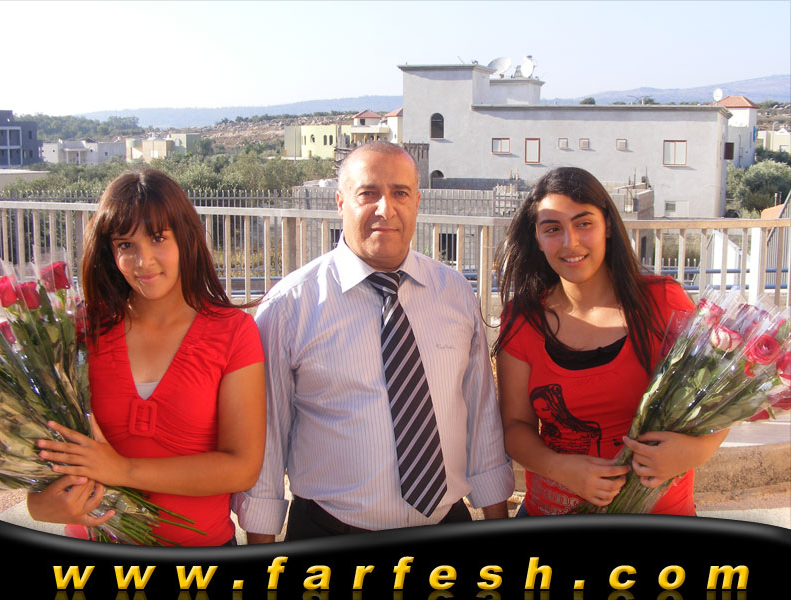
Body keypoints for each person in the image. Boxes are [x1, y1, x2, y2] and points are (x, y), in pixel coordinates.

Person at [233, 141, 514, 541]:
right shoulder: (289, 306)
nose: (386, 208)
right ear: (340, 202)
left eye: (400, 193)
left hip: (445, 525)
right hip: (329, 535)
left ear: (416, 202)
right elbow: (268, 438)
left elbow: (481, 415)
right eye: (368, 193)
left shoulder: (454, 293)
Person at [27, 169, 266, 546]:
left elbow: (241, 468)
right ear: (109, 253)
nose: (144, 261)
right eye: (125, 244)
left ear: (185, 237)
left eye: (157, 238)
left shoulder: (234, 332)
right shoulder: (80, 331)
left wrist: (122, 470)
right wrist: (43, 507)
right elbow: (44, 470)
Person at [494, 167, 728, 516]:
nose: (570, 242)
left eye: (583, 223)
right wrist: (559, 468)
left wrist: (696, 451)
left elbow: (720, 400)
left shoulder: (664, 303)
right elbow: (515, 427)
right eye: (552, 228)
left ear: (607, 226)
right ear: (537, 238)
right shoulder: (521, 319)